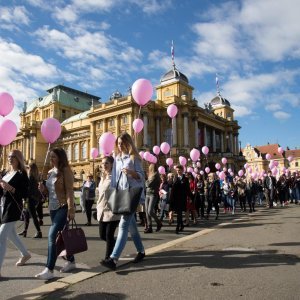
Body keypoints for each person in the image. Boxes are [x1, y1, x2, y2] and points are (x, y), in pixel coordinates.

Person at [101, 132, 145, 270]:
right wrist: (113, 194)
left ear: (128, 143)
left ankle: (113, 259)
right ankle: (141, 251)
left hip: (131, 195)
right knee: (131, 226)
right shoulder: (117, 158)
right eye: (118, 143)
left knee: (123, 225)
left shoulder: (134, 158)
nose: (120, 146)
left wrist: (132, 173)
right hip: (121, 195)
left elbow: (142, 177)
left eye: (122, 143)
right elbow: (114, 178)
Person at [35, 147, 76, 280]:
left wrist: (71, 210)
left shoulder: (66, 171)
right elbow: (50, 192)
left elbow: (69, 191)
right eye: (50, 156)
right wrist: (43, 189)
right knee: (63, 237)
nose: (51, 159)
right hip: (52, 208)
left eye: (54, 157)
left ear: (60, 158)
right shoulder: (50, 172)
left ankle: (49, 269)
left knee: (52, 235)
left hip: (63, 207)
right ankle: (71, 260)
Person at [0, 149, 31, 278]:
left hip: (13, 208)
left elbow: (25, 194)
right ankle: (25, 254)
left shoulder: (22, 174)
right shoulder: (7, 172)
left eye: (13, 156)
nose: (10, 158)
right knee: (11, 234)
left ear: (19, 159)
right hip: (3, 206)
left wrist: (11, 188)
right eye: (9, 156)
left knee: (1, 236)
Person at [96, 156, 120, 262]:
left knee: (109, 236)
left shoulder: (115, 177)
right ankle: (116, 248)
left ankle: (108, 259)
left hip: (112, 210)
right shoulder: (102, 177)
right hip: (102, 210)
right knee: (102, 236)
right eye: (102, 163)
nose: (104, 165)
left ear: (112, 165)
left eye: (106, 163)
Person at [18, 163, 42, 238]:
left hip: (30, 199)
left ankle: (39, 232)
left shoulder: (31, 177)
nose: (27, 169)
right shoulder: (36, 177)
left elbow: (29, 190)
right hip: (33, 199)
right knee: (26, 215)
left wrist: (25, 198)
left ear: (31, 169)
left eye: (28, 168)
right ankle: (25, 230)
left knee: (33, 216)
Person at [169, 165, 192, 234]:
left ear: (182, 170)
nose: (178, 171)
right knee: (179, 213)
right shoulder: (175, 178)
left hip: (182, 198)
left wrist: (190, 197)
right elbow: (172, 188)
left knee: (180, 213)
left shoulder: (185, 179)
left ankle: (178, 226)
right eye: (177, 170)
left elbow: (188, 189)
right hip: (176, 198)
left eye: (179, 170)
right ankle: (180, 225)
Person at [144, 163, 162, 233]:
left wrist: (145, 179)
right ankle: (149, 227)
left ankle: (159, 223)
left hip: (153, 194)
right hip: (148, 194)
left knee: (150, 211)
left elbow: (148, 184)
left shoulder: (155, 175)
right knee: (147, 212)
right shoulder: (150, 175)